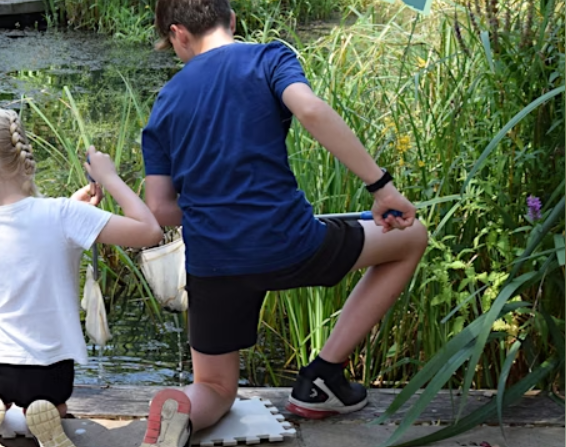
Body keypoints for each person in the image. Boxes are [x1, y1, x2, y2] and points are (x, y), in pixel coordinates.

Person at [136, 1, 429, 446]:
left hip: (212, 263)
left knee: (215, 388)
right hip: (290, 243)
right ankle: (322, 379)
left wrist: (212, 208)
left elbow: (159, 208)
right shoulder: (269, 57)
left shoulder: (168, 99)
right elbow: (310, 111)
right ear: (231, 21)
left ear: (177, 34)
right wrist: (382, 188)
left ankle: (184, 412)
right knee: (411, 237)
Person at [0, 108, 163, 447]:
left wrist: (71, 206)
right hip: (48, 372)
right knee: (54, 405)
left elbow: (31, 229)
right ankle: (46, 414)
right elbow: (150, 231)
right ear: (26, 155)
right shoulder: (64, 215)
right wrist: (108, 177)